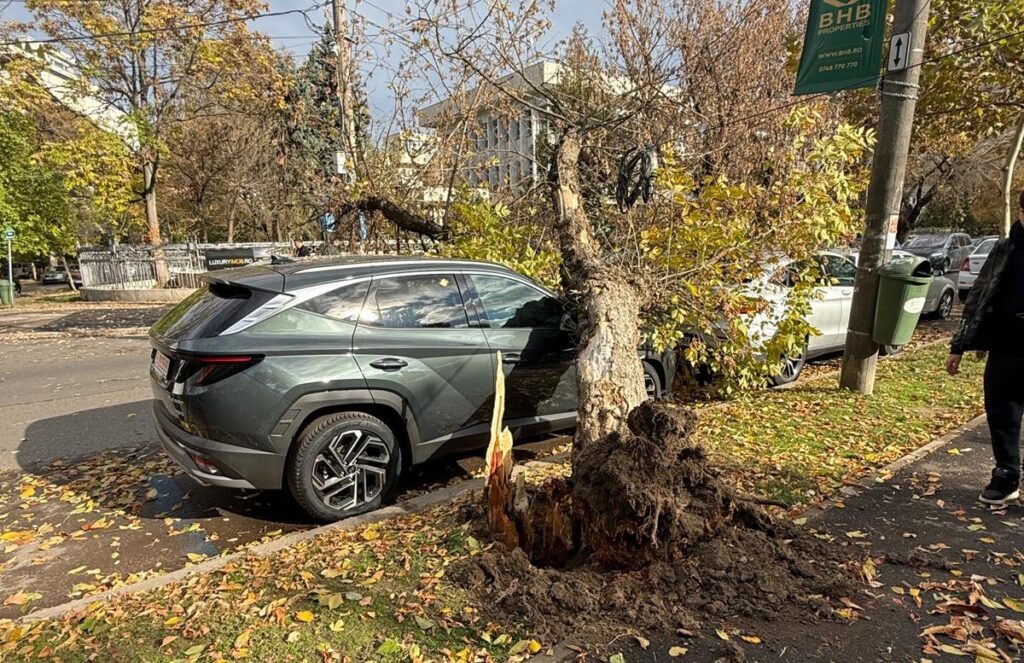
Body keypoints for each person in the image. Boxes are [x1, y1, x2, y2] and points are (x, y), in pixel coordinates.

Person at [947, 190, 1024, 505]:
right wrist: (958, 346)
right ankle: (1006, 476)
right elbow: (976, 298)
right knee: (1001, 412)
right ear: (1020, 211)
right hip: (1007, 344)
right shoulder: (1004, 250)